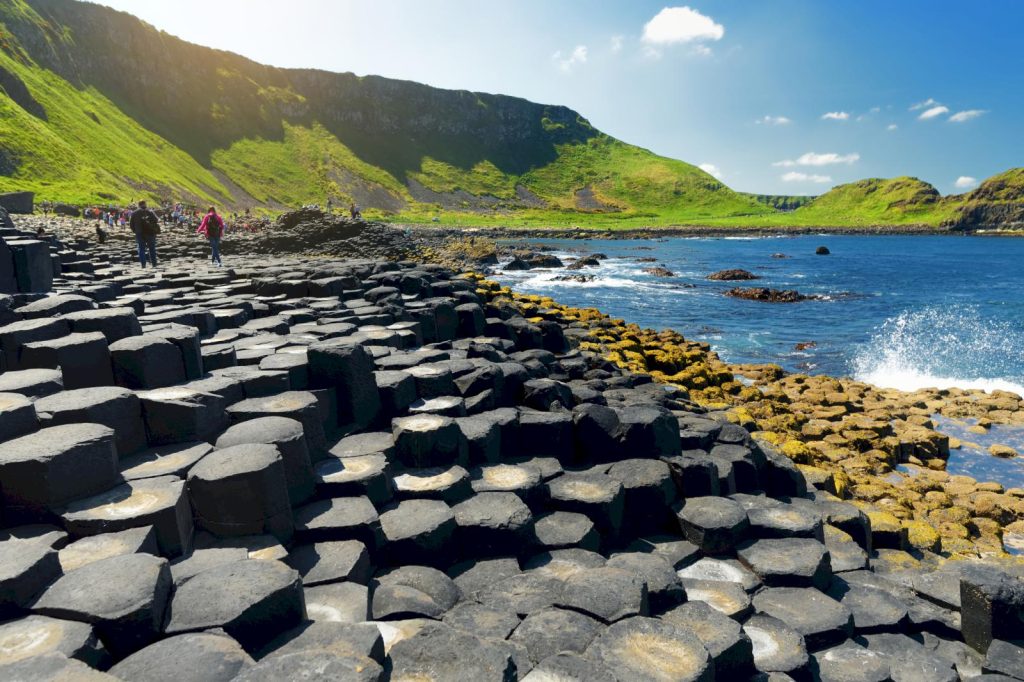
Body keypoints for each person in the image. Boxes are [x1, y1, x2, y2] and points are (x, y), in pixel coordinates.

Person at [129, 200, 160, 267]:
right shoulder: (150, 211)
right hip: (150, 233)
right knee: (152, 249)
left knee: (141, 249)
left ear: (138, 205)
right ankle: (154, 264)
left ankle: (143, 265)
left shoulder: (134, 213)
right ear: (145, 204)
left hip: (139, 233)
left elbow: (131, 225)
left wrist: (135, 231)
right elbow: (156, 220)